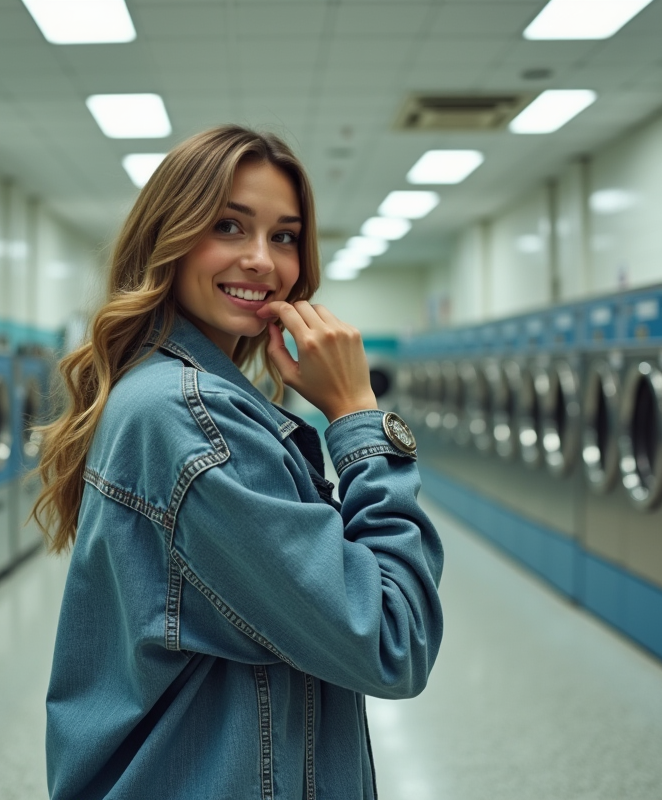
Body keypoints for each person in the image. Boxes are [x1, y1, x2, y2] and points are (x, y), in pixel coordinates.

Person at [35, 125, 444, 799]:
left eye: (284, 236)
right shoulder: (192, 417)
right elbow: (391, 639)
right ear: (169, 235)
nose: (262, 259)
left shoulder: (160, 389)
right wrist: (357, 416)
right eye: (229, 226)